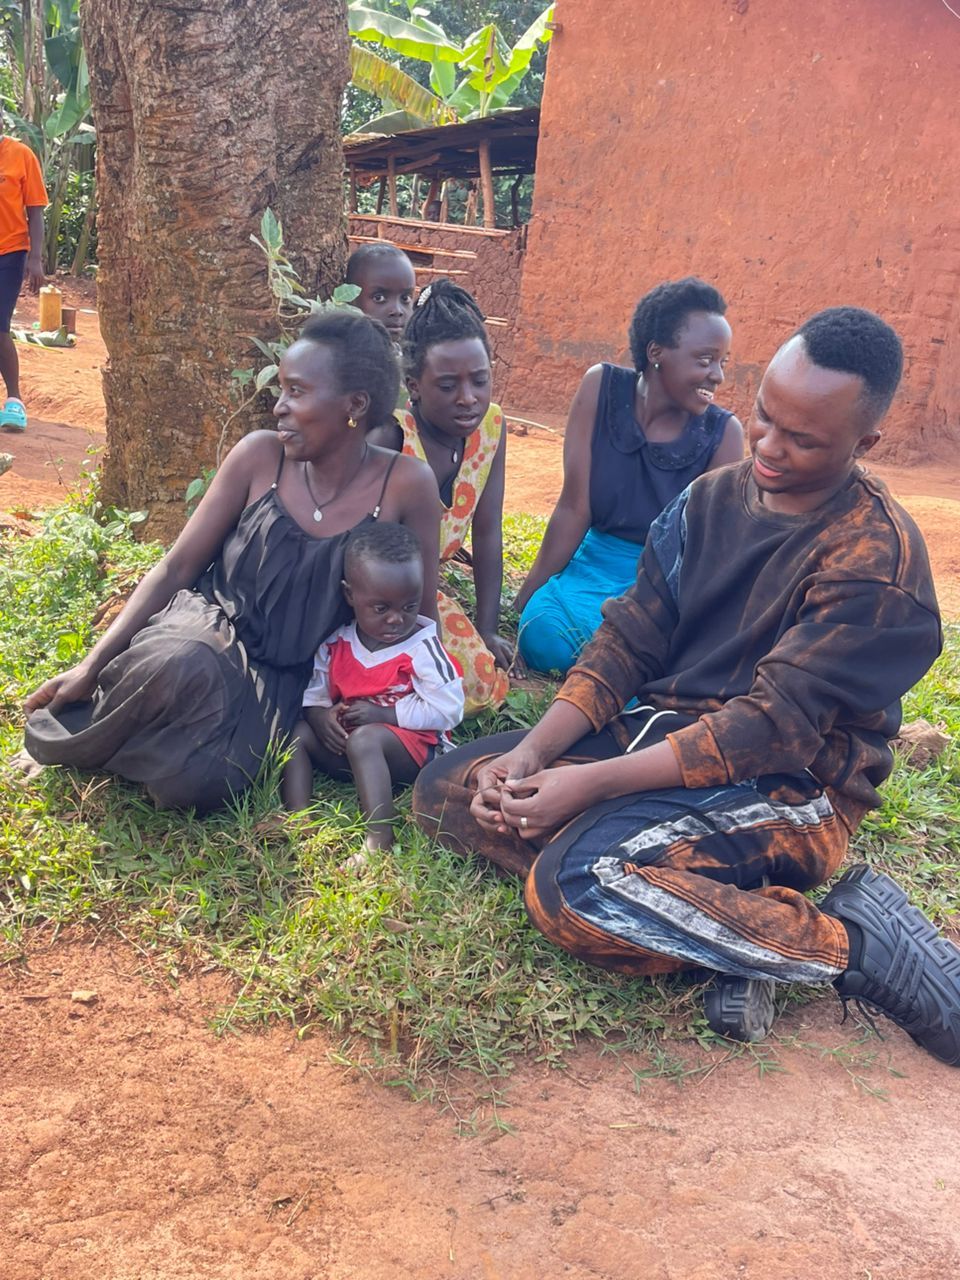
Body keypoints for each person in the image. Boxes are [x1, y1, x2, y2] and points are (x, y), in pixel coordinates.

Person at [413, 307, 960, 1067]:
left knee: (577, 888)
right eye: (764, 416)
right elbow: (629, 638)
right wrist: (533, 754)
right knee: (451, 787)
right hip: (660, 739)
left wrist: (588, 785)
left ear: (863, 444)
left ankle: (853, 945)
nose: (768, 445)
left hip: (790, 790)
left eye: (803, 439)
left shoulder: (877, 560)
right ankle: (726, 929)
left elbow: (766, 728)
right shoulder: (709, 500)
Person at [21, 311, 441, 813]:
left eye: (297, 392)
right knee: (181, 662)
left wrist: (400, 710)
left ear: (355, 405)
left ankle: (153, 745)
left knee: (196, 785)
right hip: (209, 632)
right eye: (281, 390)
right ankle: (79, 736)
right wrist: (91, 666)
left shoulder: (406, 485)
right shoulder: (260, 456)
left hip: (288, 681)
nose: (279, 406)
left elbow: (418, 612)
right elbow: (177, 568)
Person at [514, 278, 743, 674]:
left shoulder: (724, 436)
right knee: (542, 631)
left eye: (723, 362)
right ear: (656, 353)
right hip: (592, 565)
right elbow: (573, 509)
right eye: (705, 360)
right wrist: (523, 602)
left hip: (659, 583)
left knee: (644, 651)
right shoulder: (600, 388)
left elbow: (705, 557)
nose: (717, 376)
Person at [369, 278, 521, 716]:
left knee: (477, 681)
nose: (468, 399)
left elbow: (487, 532)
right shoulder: (393, 436)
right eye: (448, 385)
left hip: (428, 593)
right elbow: (361, 548)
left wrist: (487, 630)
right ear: (414, 386)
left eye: (480, 381)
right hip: (379, 594)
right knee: (414, 681)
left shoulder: (490, 429)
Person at [282, 521, 463, 850]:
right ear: (350, 595)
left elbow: (450, 709)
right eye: (381, 608)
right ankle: (298, 817)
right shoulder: (336, 643)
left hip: (413, 754)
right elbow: (315, 692)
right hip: (349, 748)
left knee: (366, 740)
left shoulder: (423, 649)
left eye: (409, 606)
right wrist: (320, 718)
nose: (396, 618)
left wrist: (386, 715)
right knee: (298, 733)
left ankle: (379, 838)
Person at [0, 131, 47, 433]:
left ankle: (14, 399)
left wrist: (36, 258)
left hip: (10, 253)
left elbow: (35, 209)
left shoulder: (20, 155)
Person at [346, 242, 417, 347]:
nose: (397, 311)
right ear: (350, 299)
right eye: (379, 298)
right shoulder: (338, 354)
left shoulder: (418, 353)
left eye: (405, 298)